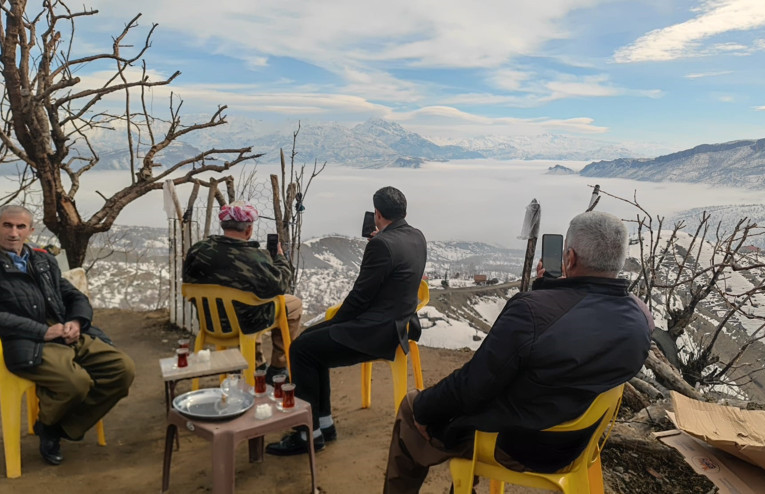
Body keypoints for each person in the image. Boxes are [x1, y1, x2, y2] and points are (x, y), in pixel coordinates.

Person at [382, 211, 653, 493]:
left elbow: (472, 386)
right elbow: (577, 322)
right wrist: (549, 288)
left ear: (569, 258)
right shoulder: (641, 318)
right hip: (579, 441)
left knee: (413, 406)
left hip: (519, 444)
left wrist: (425, 410)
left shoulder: (529, 312)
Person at [266, 186, 427, 456]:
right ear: (404, 212)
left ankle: (310, 434)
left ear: (377, 214)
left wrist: (333, 324)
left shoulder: (381, 245)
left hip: (377, 332)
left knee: (302, 348)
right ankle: (323, 425)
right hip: (398, 325)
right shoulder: (417, 237)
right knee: (311, 347)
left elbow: (359, 298)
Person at [0, 205, 135, 466]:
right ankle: (52, 427)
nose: (14, 233)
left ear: (30, 230)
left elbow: (74, 295)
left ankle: (56, 427)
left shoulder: (41, 260)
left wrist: (76, 321)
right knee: (76, 382)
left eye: (20, 227)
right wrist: (43, 331)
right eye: (7, 225)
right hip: (25, 341)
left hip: (65, 332)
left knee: (122, 369)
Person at [182, 201, 303, 384]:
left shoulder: (197, 250)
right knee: (293, 304)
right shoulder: (255, 257)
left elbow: (188, 280)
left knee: (249, 301)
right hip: (248, 323)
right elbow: (280, 285)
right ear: (248, 230)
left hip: (211, 322)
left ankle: (256, 363)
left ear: (223, 226)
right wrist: (279, 258)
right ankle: (279, 366)